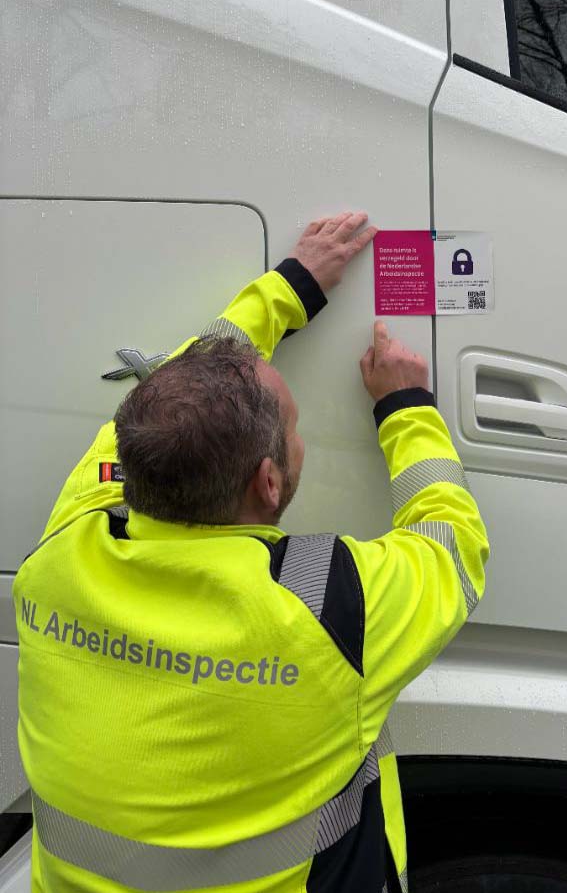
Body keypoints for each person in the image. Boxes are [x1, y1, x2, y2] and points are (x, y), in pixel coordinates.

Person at [13, 212, 489, 893]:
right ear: (269, 482)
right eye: (295, 430)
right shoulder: (330, 608)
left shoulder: (70, 540)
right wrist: (407, 406)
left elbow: (179, 381)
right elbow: (451, 543)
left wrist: (292, 285)